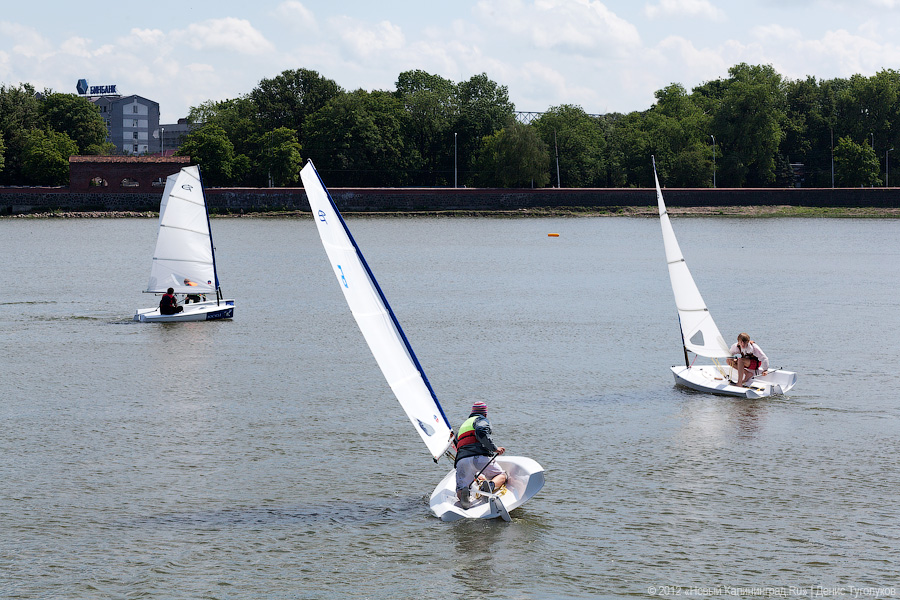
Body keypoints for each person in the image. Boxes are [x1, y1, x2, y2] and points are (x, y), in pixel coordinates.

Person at [454, 401, 507, 509]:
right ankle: (489, 486)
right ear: (485, 414)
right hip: (480, 457)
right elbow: (481, 430)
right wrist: (495, 449)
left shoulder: (463, 426)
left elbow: (456, 442)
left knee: (461, 488)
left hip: (462, 460)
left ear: (471, 413)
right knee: (502, 475)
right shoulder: (481, 420)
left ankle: (464, 495)